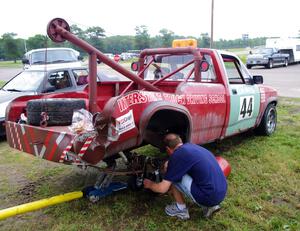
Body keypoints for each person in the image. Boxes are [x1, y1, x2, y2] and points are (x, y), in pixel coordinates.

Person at [143, 133, 227, 220]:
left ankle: (181, 209)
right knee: (178, 172)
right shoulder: (192, 147)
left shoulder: (177, 156)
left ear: (168, 149)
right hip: (221, 192)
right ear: (180, 142)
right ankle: (212, 206)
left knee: (173, 175)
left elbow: (162, 189)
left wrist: (150, 184)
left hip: (208, 197)